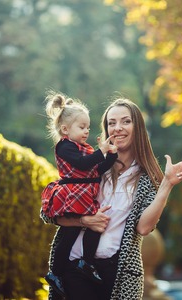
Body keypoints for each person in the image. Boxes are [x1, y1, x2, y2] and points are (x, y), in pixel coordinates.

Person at [40, 97, 182, 300]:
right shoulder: (91, 165)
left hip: (116, 272)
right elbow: (49, 214)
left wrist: (167, 185)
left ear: (138, 128)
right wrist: (83, 221)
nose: (118, 128)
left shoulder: (146, 179)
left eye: (126, 121)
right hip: (74, 268)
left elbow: (144, 228)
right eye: (112, 123)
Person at [40, 92, 118, 298]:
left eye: (88, 127)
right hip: (73, 194)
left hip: (85, 194)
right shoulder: (65, 146)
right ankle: (55, 274)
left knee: (94, 226)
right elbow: (84, 164)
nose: (86, 131)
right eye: (81, 127)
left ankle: (87, 262)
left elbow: (98, 169)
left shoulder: (85, 148)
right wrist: (100, 152)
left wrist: (112, 154)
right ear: (65, 129)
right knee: (69, 234)